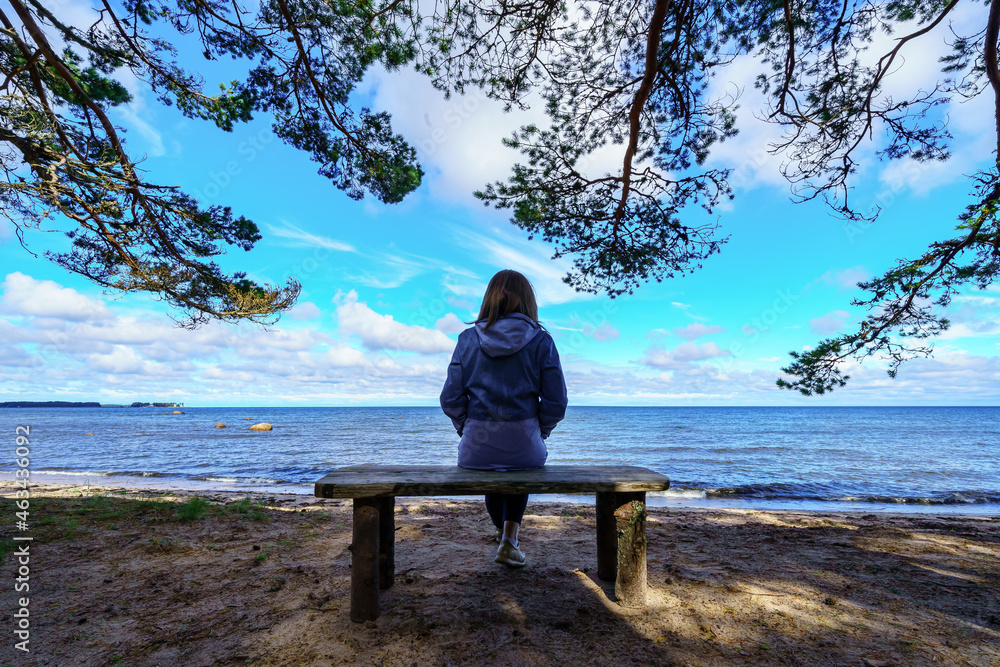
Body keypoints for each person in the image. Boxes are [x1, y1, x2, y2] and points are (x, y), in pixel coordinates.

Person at [439, 269, 568, 568]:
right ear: (528, 301)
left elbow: (450, 398)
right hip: (525, 445)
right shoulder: (542, 341)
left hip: (476, 447)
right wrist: (541, 430)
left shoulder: (467, 339)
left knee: (491, 471)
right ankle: (509, 539)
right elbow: (556, 402)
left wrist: (466, 427)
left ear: (489, 299)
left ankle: (503, 534)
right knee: (519, 468)